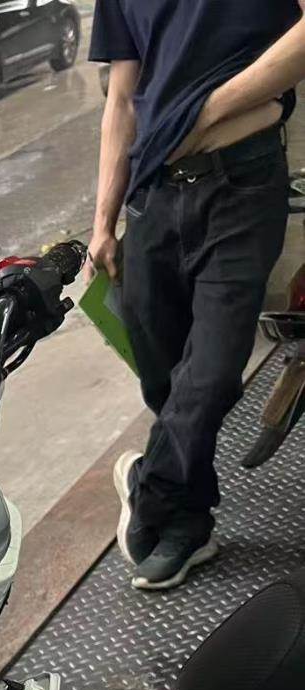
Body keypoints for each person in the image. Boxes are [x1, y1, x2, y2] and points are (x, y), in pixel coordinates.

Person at [88, 1, 305, 590]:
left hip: (243, 184)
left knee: (211, 373)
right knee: (163, 377)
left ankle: (150, 487)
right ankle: (189, 523)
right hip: (152, 196)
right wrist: (103, 221)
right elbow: (121, 99)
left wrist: (207, 110)